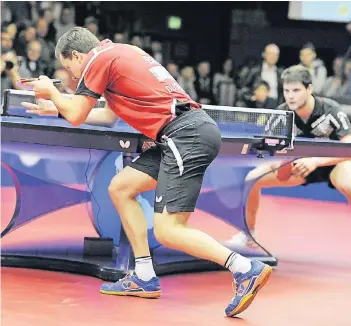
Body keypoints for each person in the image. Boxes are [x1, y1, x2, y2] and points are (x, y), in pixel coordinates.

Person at [21, 27, 272, 317]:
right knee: (121, 187)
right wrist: (56, 109)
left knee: (169, 230)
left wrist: (53, 91)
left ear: (78, 55)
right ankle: (143, 276)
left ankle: (244, 268)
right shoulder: (119, 52)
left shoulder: (98, 59)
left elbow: (77, 114)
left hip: (185, 135)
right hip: (181, 134)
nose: (74, 77)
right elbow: (107, 116)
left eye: (69, 68)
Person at [230, 65, 351, 247]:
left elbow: (348, 146)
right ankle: (249, 235)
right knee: (252, 178)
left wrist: (317, 160)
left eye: (296, 90)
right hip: (300, 167)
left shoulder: (331, 110)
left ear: (309, 89)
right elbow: (269, 150)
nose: (290, 96)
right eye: (286, 90)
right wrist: (277, 163)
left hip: (334, 163)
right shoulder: (281, 115)